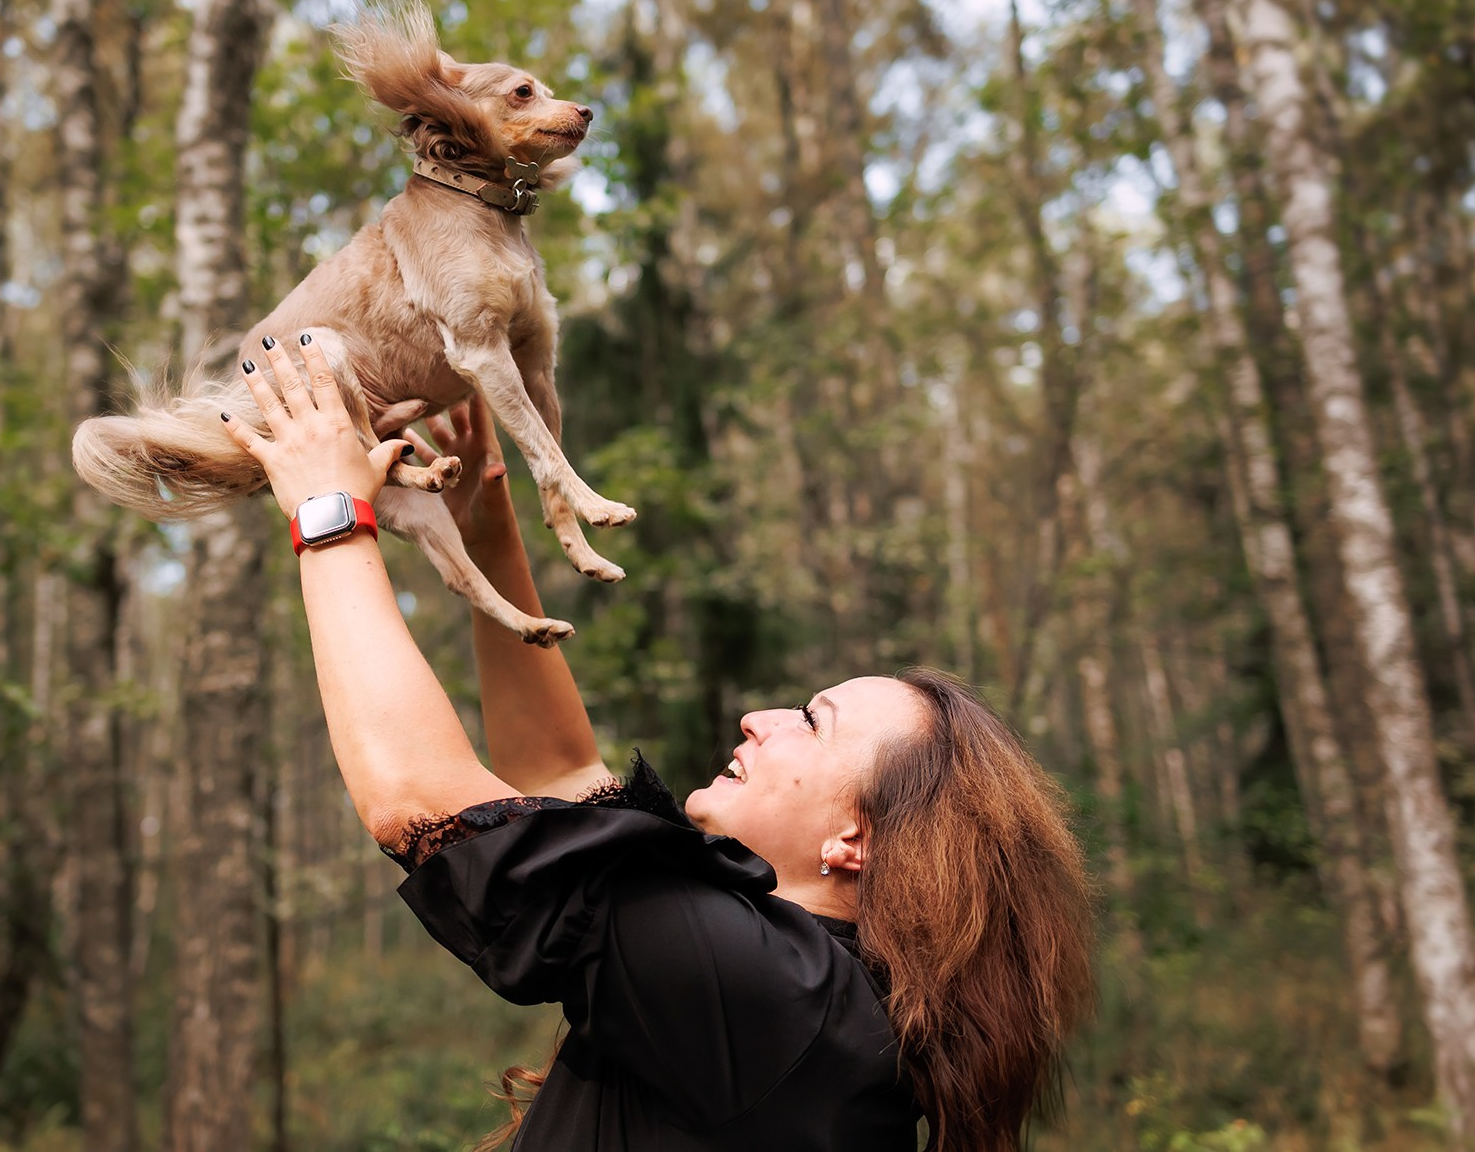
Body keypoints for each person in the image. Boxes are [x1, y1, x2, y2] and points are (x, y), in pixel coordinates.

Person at [218, 335, 1097, 1151]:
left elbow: (418, 801)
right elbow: (562, 773)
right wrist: (486, 529)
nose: (760, 718)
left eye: (811, 719)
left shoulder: (778, 998)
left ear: (854, 840)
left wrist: (329, 512)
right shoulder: (812, 998)